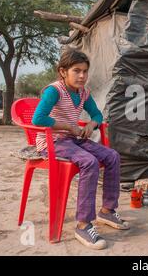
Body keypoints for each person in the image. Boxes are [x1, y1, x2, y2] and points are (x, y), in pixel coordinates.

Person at [32, 48, 129, 250]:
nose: (82, 76)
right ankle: (83, 224)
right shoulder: (54, 91)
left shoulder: (83, 93)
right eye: (76, 71)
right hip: (53, 142)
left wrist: (92, 125)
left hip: (73, 139)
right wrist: (68, 127)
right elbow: (38, 119)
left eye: (85, 71)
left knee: (112, 156)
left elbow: (97, 115)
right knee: (89, 161)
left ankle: (107, 210)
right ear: (62, 71)